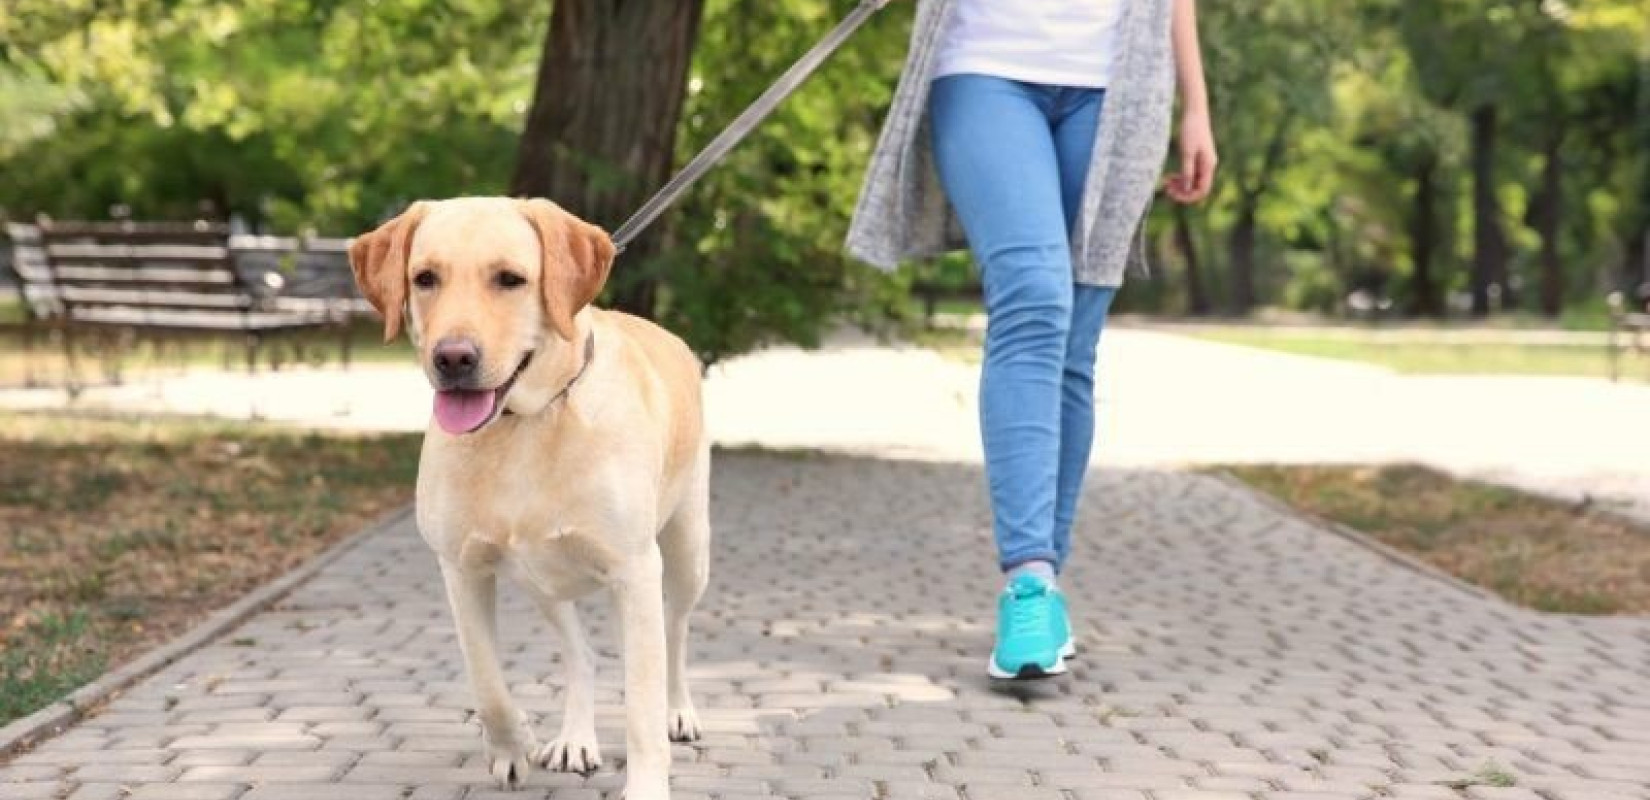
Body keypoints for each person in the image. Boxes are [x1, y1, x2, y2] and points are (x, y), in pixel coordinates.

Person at [846, 0, 1216, 679]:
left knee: (1074, 348)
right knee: (1034, 299)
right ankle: (1027, 580)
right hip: (986, 66)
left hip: (1122, 84)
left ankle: (1045, 590)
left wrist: (1197, 105)